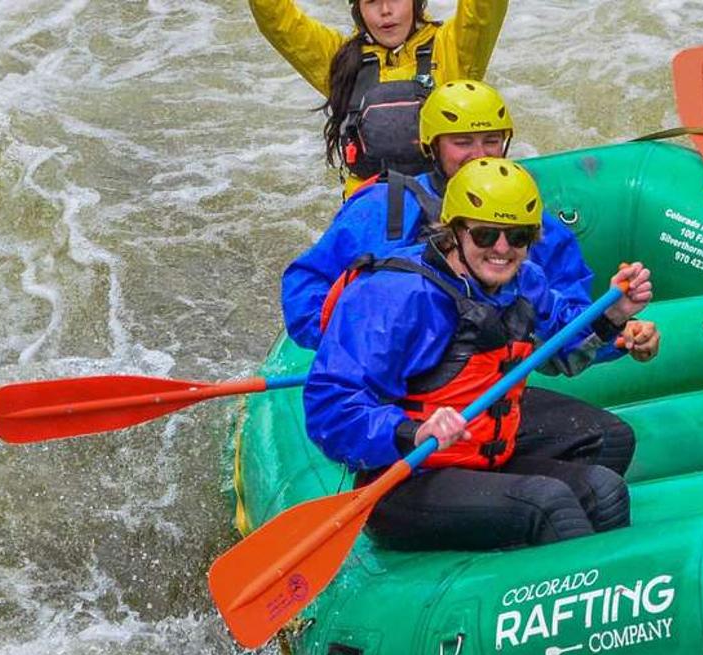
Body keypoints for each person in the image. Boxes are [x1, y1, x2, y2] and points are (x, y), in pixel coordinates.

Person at [283, 79, 655, 475]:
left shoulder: (524, 223)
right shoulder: (382, 209)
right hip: (401, 402)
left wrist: (616, 328)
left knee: (608, 439)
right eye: (462, 142)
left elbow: (562, 322)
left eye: (491, 141)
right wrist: (364, 343)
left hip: (483, 390)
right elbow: (306, 286)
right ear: (432, 146)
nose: (478, 155)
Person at [304, 158, 655, 551]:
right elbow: (330, 409)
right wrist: (411, 430)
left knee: (606, 490)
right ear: (454, 231)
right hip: (404, 477)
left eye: (518, 236)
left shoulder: (524, 281)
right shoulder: (395, 296)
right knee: (548, 504)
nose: (502, 249)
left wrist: (612, 316)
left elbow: (562, 355)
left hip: (483, 455)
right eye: (486, 235)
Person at [249, 0, 510, 193]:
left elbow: (484, 9)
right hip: (369, 215)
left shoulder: (453, 49)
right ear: (358, 10)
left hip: (445, 212)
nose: (385, 10)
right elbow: (277, 20)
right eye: (372, 1)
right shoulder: (339, 61)